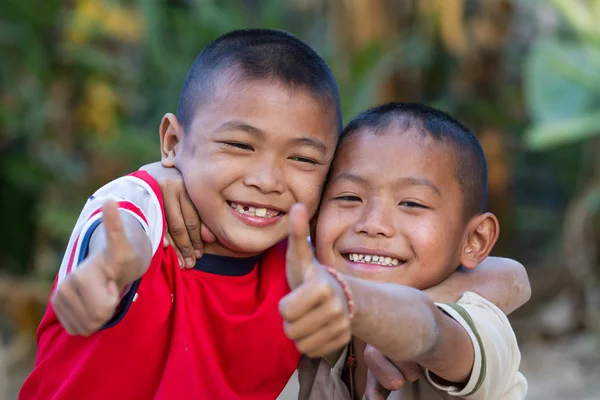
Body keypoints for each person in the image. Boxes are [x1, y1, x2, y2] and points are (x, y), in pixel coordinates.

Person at [20, 28, 529, 400]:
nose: (268, 179)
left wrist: (395, 308)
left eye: (304, 159)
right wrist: (111, 266)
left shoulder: (304, 253)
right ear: (173, 141)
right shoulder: (149, 206)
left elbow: (509, 277)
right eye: (239, 145)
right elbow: (124, 230)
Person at [279, 103, 527, 399]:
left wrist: (351, 303)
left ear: (474, 239)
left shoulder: (484, 329)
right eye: (348, 197)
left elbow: (433, 333)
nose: (373, 224)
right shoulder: (317, 303)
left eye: (412, 203)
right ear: (315, 219)